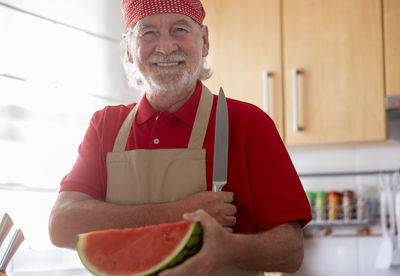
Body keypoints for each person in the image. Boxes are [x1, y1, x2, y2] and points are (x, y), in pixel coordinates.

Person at [48, 0, 312, 275]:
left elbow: (291, 251)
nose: (165, 47)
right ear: (128, 47)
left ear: (205, 41)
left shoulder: (248, 123)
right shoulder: (105, 125)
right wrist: (179, 212)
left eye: (180, 29)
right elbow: (61, 225)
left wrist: (231, 249)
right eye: (148, 32)